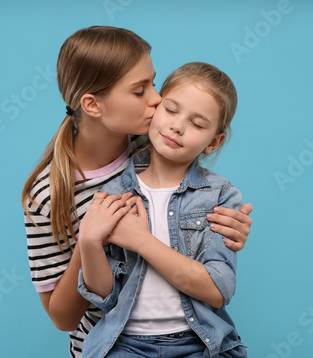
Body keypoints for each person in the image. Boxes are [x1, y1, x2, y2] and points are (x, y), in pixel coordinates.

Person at [21, 26, 253, 357]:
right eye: (139, 90)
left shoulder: (159, 146)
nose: (157, 99)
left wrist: (231, 229)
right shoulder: (47, 193)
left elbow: (199, 209)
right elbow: (62, 318)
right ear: (92, 105)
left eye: (154, 83)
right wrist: (90, 238)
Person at [78, 62, 247, 357]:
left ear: (214, 142)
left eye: (197, 124)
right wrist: (89, 242)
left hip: (198, 342)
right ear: (154, 107)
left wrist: (141, 240)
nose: (177, 125)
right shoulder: (116, 191)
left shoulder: (221, 195)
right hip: (125, 343)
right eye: (170, 110)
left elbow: (218, 291)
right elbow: (105, 297)